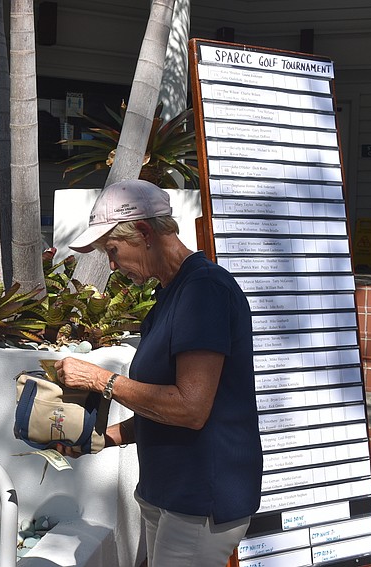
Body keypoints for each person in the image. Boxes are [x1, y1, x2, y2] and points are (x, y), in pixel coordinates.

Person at [53, 180, 262, 567]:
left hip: (200, 498)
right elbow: (163, 406)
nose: (112, 266)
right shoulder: (171, 291)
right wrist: (102, 438)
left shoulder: (204, 290)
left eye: (112, 251)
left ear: (145, 233)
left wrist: (99, 379)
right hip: (165, 491)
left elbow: (190, 408)